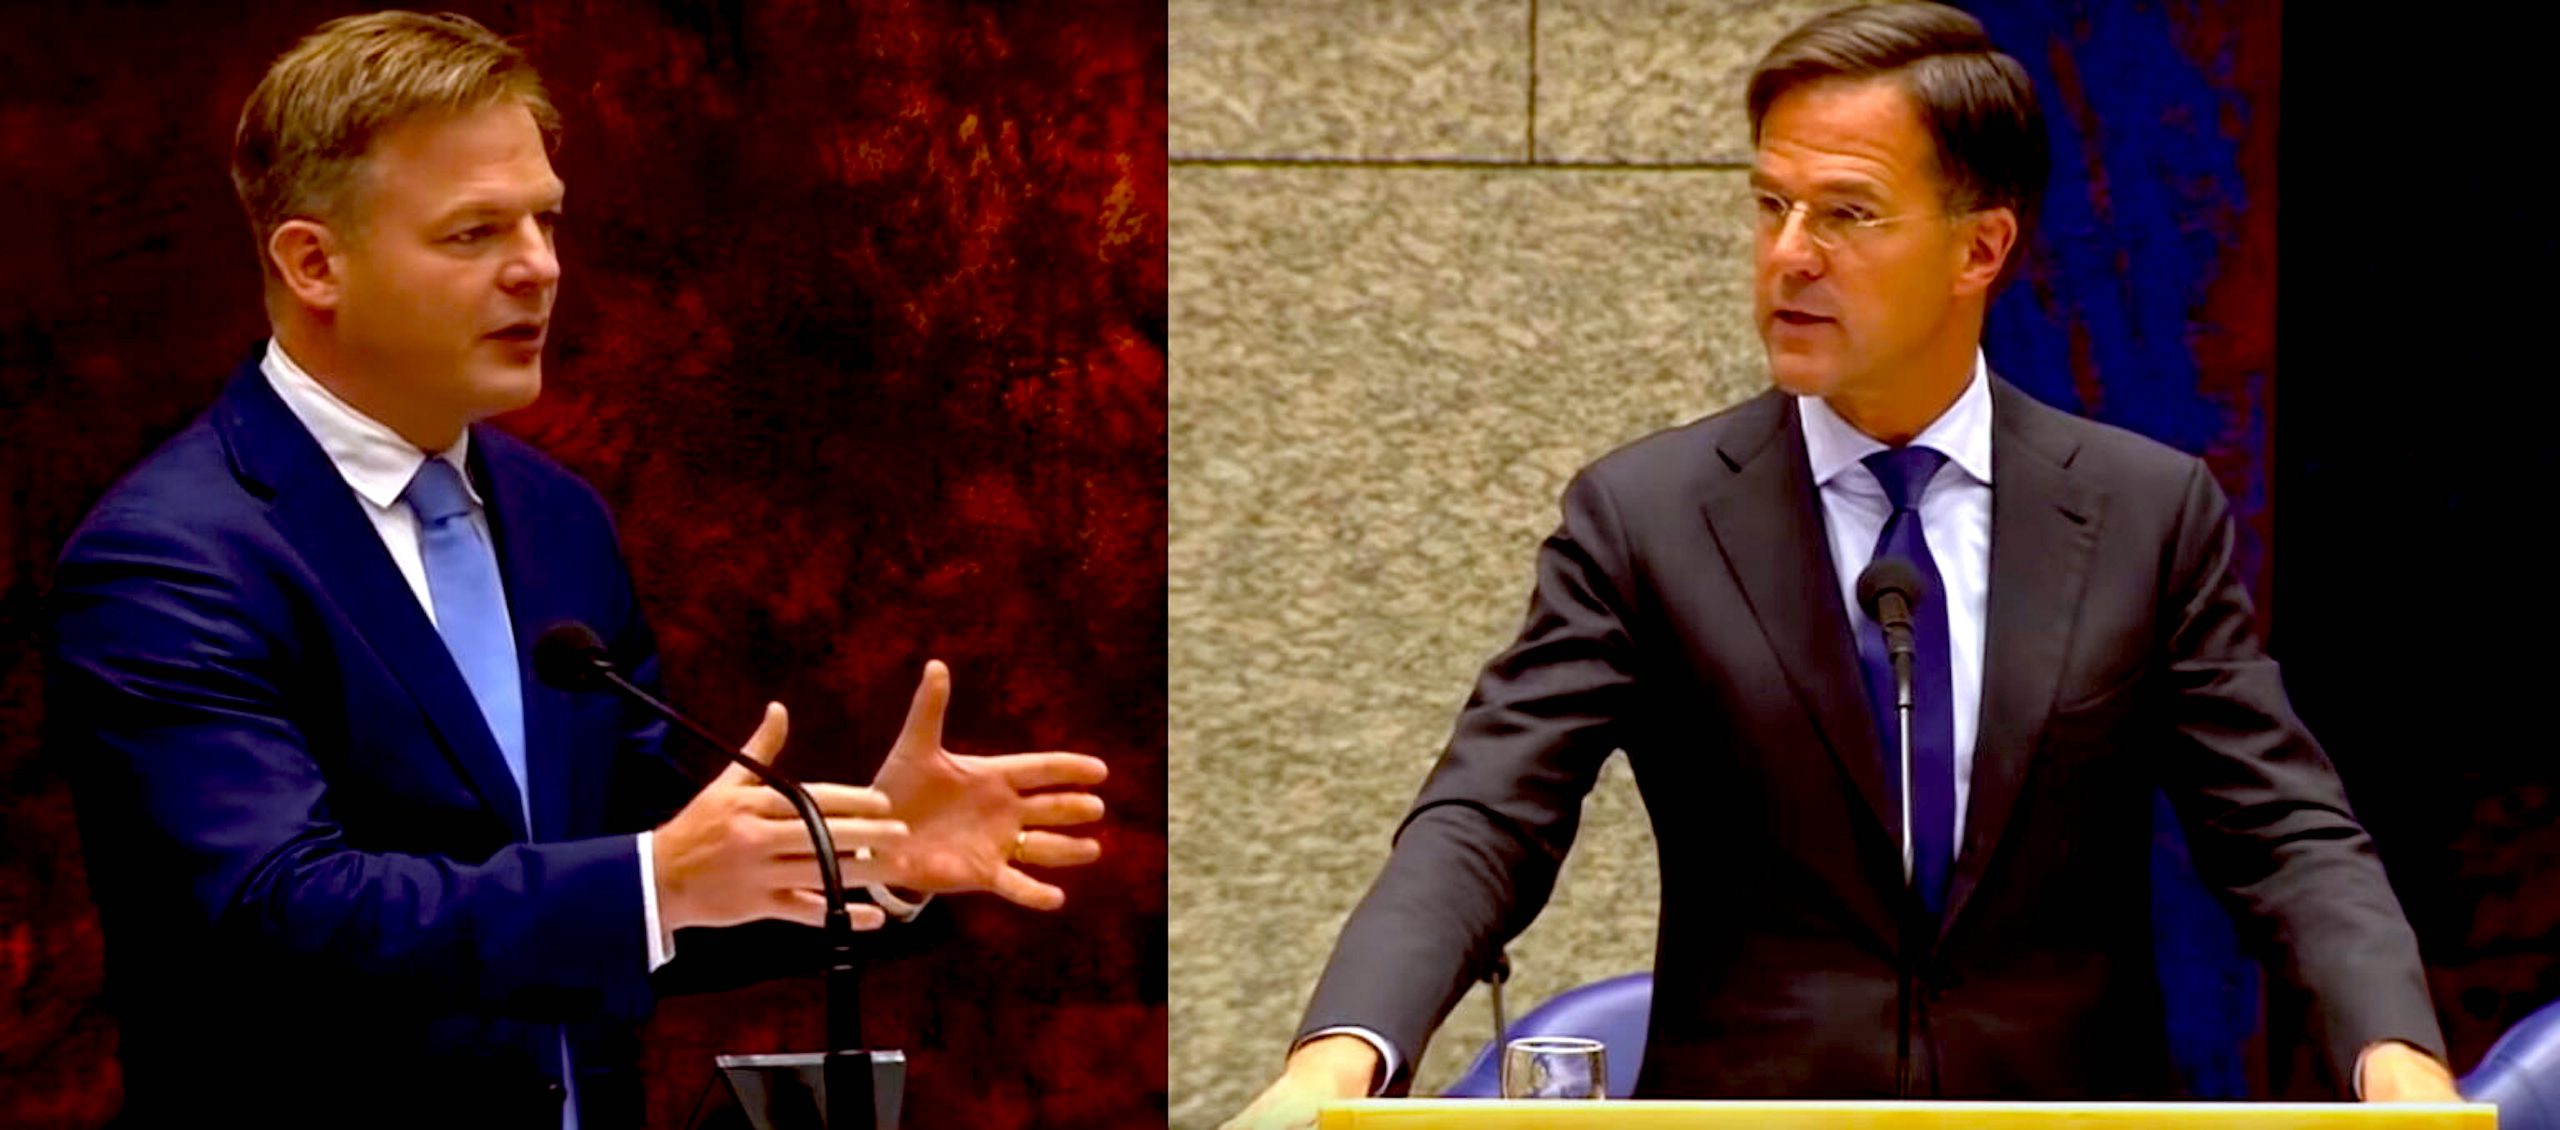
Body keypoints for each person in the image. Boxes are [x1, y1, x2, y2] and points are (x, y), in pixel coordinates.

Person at [1225, 5, 2456, 1125]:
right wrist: (1339, 1055)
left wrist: (2396, 1060)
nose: (1789, 254)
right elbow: (1489, 814)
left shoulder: (2143, 513)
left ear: (1980, 248)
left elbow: (2282, 832)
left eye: (1846, 213)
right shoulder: (1648, 516)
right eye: (1770, 205)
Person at [44, 12, 1107, 1129]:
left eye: (545, 218)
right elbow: (277, 912)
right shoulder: (170, 559)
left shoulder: (557, 520)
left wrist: (868, 857)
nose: (539, 267)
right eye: (473, 233)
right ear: (315, 262)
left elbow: (649, 873)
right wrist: (653, 880)